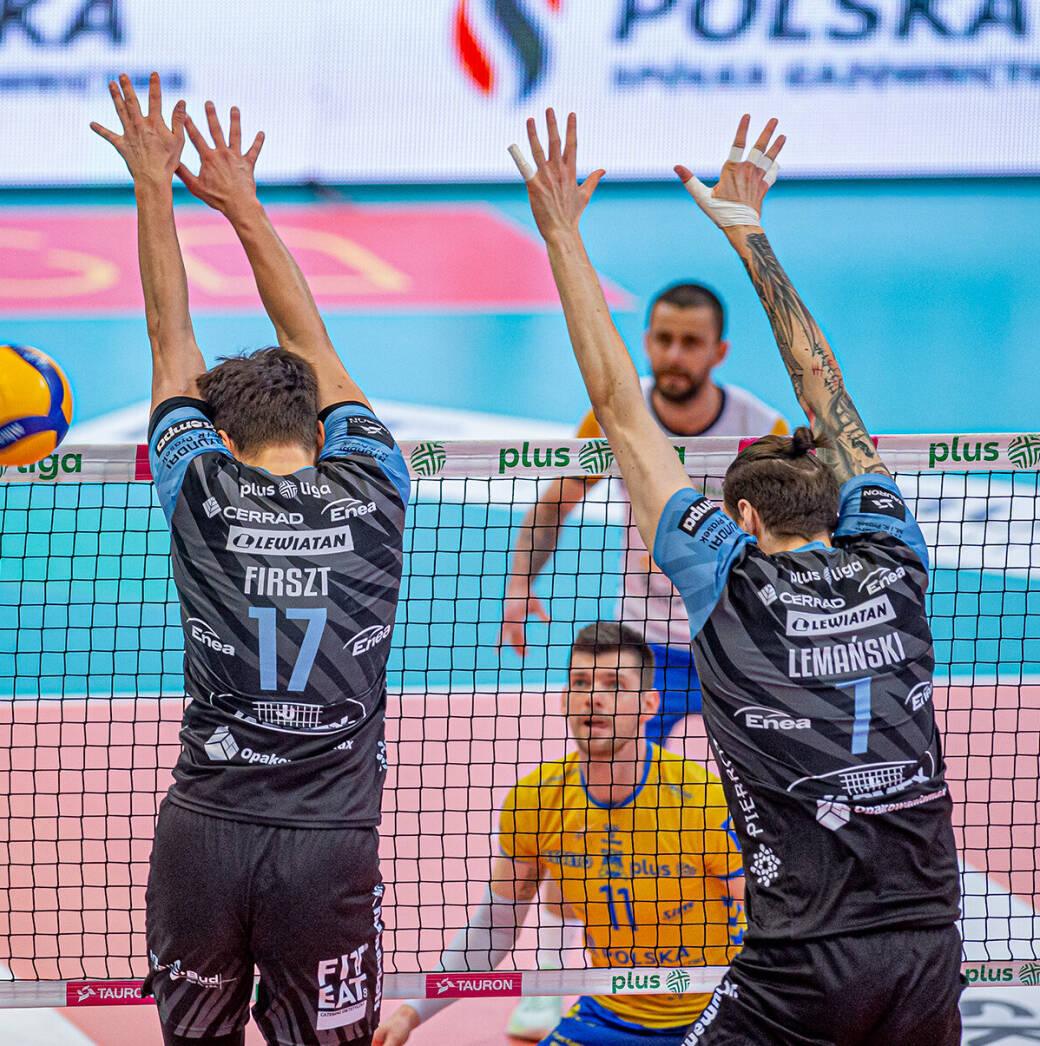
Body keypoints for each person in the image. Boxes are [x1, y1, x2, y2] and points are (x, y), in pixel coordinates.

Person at [511, 109, 961, 1045]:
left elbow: (618, 405)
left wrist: (560, 234)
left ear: (743, 520)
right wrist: (751, 232)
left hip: (800, 961)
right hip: (929, 946)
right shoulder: (895, 554)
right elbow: (827, 391)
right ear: (842, 501)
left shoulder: (730, 582)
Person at [91, 74, 410, 1046]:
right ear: (319, 425)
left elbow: (169, 337)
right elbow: (312, 343)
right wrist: (243, 205)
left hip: (206, 835)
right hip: (329, 846)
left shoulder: (200, 487)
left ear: (220, 437)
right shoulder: (378, 486)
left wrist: (153, 185)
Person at [498, 283, 784, 1039]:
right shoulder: (615, 419)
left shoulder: (760, 429)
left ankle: (774, 962)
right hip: (644, 650)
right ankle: (554, 981)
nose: (673, 355)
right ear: (648, 340)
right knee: (591, 803)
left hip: (730, 650)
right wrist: (520, 581)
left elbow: (791, 533)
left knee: (760, 803)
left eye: (691, 342)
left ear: (719, 352)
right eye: (662, 339)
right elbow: (556, 501)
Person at [374, 622, 744, 1046]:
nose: (594, 697)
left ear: (649, 705)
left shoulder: (704, 800)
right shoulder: (536, 802)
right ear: (565, 700)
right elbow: (493, 930)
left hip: (720, 1012)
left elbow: (768, 924)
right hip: (610, 1013)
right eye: (581, 682)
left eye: (614, 685)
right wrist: (410, 1012)